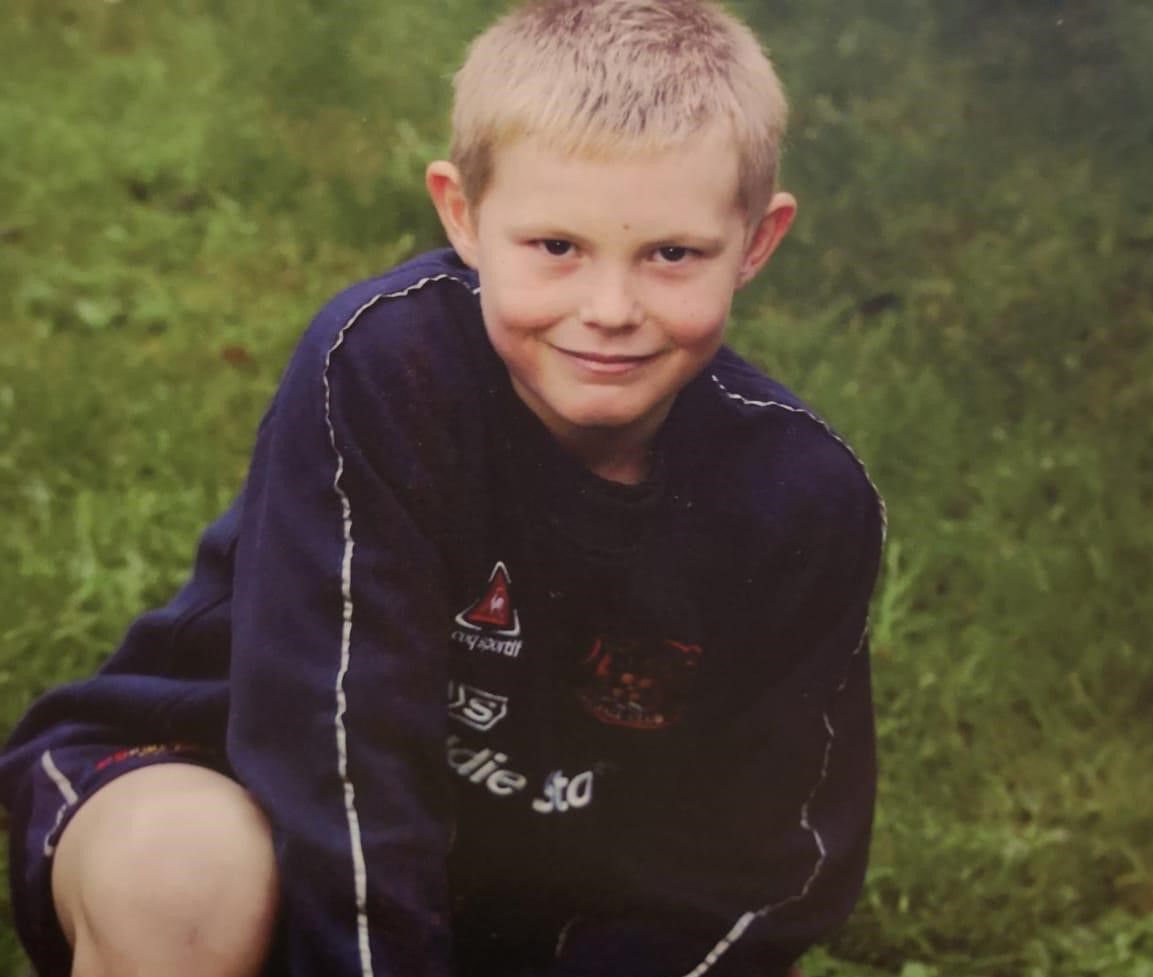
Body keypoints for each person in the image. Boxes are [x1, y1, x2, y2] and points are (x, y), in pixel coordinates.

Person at [0, 1, 886, 975]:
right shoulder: (387, 367)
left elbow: (771, 862)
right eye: (556, 245)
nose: (610, 310)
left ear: (757, 242)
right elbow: (339, 754)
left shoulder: (805, 499)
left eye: (672, 254)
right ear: (462, 214)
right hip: (232, 783)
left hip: (511, 887)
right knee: (187, 877)